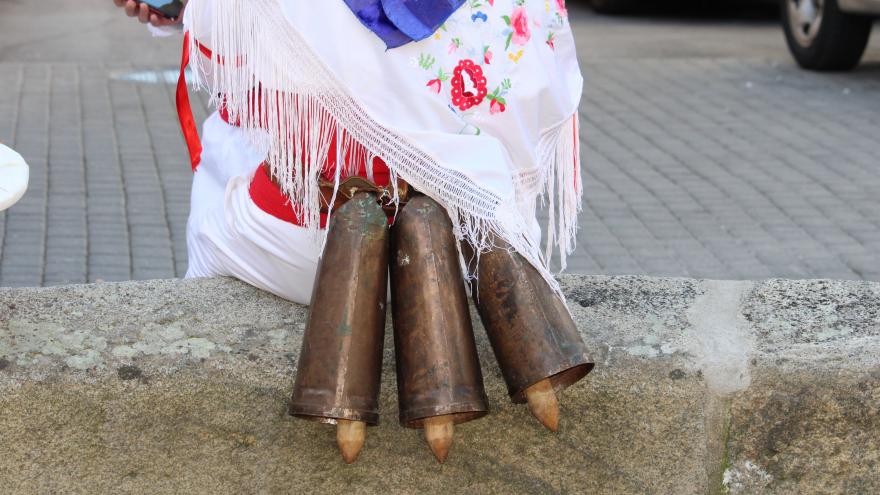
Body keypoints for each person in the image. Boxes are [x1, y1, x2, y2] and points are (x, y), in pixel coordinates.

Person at [113, 0, 591, 464]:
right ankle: (426, 223)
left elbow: (230, 71)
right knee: (466, 180)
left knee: (219, 194)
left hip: (304, 242)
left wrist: (183, 7)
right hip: (474, 245)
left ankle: (364, 225)